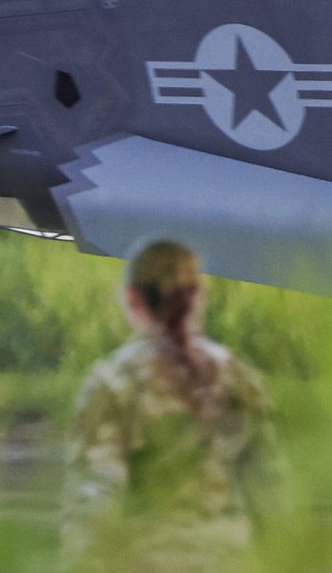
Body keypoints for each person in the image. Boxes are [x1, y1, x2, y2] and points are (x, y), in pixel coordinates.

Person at [61, 239, 283, 573]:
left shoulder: (113, 382)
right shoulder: (239, 378)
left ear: (132, 299)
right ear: (198, 299)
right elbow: (273, 499)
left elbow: (96, 505)